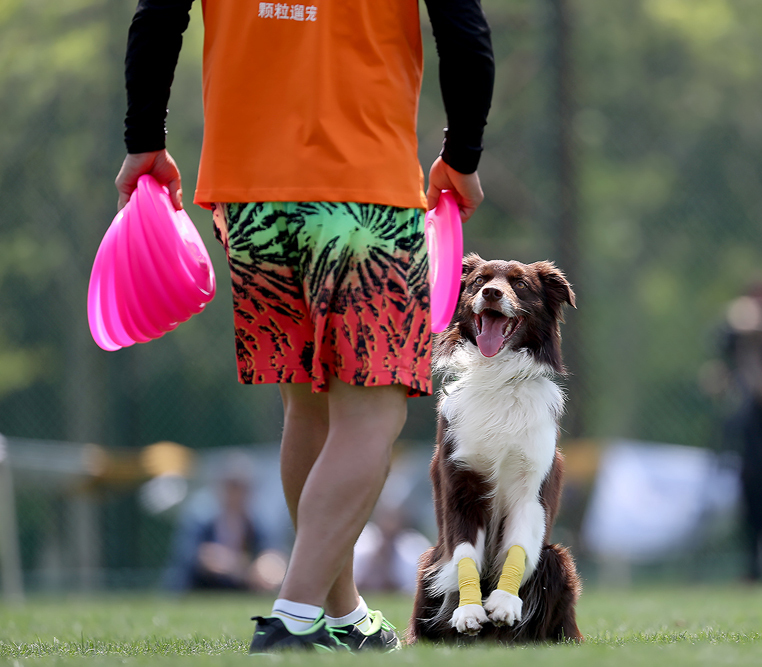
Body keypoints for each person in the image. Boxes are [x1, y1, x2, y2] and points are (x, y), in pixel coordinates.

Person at [115, 0, 493, 653]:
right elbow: (465, 32)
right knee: (370, 416)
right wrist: (462, 152)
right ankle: (291, 614)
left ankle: (341, 614)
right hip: (363, 188)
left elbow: (157, 15)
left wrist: (144, 140)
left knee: (306, 405)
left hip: (249, 191)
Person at [704, 282, 762, 581]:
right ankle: (753, 571)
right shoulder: (734, 348)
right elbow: (721, 384)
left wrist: (753, 356)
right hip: (743, 444)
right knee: (749, 513)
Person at [162, 452, 288, 593]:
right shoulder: (200, 519)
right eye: (232, 486)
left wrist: (268, 566)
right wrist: (232, 565)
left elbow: (272, 551)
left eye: (242, 487)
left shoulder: (256, 524)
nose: (237, 494)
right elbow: (191, 556)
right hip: (200, 588)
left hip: (240, 590)